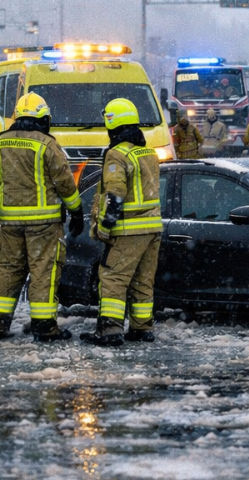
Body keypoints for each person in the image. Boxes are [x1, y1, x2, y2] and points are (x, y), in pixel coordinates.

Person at [0, 92, 83, 342]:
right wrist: (76, 210)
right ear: (43, 119)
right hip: (44, 225)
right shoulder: (47, 145)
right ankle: (44, 327)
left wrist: (0, 201)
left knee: (7, 270)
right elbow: (64, 183)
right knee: (43, 273)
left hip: (10, 223)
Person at [80, 98, 162, 346]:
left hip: (128, 230)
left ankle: (110, 331)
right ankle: (142, 328)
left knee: (113, 277)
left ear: (111, 123)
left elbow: (115, 194)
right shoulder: (148, 152)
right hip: (152, 227)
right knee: (142, 280)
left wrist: (105, 227)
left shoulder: (117, 154)